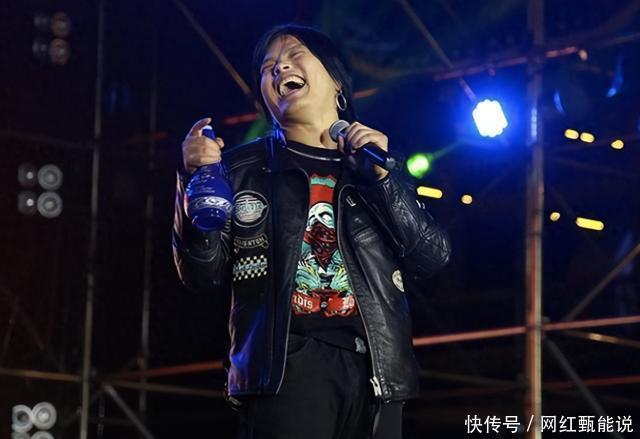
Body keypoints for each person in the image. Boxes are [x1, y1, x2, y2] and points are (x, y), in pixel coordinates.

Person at [173, 24, 451, 439]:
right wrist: (193, 181)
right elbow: (202, 274)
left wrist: (382, 181)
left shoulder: (375, 164)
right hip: (283, 368)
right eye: (268, 67)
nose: (279, 68)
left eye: (294, 55)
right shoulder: (240, 170)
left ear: (337, 81)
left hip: (375, 371)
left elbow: (431, 257)